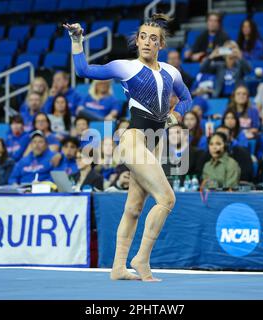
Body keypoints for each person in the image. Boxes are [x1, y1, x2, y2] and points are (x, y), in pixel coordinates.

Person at [64, 12, 191, 281]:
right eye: (142, 37)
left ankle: (119, 267)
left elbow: (186, 98)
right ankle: (141, 259)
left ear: (161, 45)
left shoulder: (171, 72)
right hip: (133, 141)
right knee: (167, 199)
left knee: (134, 207)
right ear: (137, 41)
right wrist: (77, 40)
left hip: (154, 144)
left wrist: (175, 116)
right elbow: (84, 70)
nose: (146, 42)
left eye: (153, 38)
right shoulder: (126, 67)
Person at [162, 123, 204, 187]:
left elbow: (198, 176)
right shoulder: (163, 154)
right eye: (170, 133)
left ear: (186, 135)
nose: (173, 136)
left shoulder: (198, 153)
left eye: (177, 132)